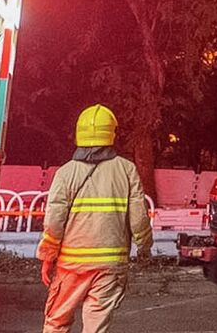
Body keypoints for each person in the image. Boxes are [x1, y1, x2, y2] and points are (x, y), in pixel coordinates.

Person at [36, 105, 154, 333]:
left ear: (79, 133)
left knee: (56, 322)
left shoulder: (65, 173)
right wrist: (144, 246)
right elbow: (139, 218)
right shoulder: (127, 170)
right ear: (111, 133)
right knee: (96, 326)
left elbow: (54, 221)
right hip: (110, 265)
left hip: (71, 265)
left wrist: (47, 257)